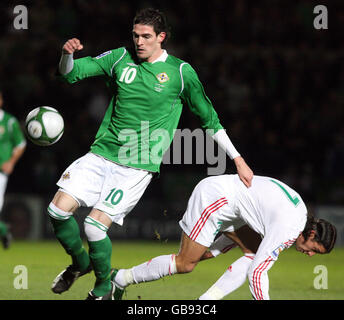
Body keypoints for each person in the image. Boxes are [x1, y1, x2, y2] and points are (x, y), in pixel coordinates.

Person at [50, 8, 253, 300]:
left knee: (94, 227)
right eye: (135, 36)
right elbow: (69, 75)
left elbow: (210, 119)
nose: (139, 42)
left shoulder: (180, 73)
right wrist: (67, 54)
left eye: (146, 36)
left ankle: (104, 288)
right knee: (56, 211)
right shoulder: (120, 57)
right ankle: (81, 263)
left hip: (135, 166)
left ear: (161, 37)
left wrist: (237, 159)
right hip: (100, 154)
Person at [111, 174, 337, 300]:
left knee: (251, 253)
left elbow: (252, 210)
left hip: (231, 205)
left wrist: (218, 248)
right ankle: (120, 278)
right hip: (214, 199)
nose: (309, 254)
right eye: (313, 250)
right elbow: (258, 273)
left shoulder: (300, 214)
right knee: (186, 263)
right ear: (312, 234)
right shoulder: (287, 230)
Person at [0, 90, 26, 249]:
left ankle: (3, 230)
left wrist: (11, 161)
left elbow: (21, 144)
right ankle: (4, 230)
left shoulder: (9, 122)